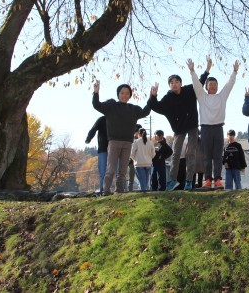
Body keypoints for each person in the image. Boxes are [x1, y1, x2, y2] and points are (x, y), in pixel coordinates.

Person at [149, 60, 210, 191]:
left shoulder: (189, 90)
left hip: (192, 126)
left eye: (176, 82)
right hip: (179, 128)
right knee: (176, 154)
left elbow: (199, 83)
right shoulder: (168, 98)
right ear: (169, 85)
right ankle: (172, 180)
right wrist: (153, 96)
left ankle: (189, 181)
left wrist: (206, 70)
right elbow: (157, 107)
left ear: (181, 83)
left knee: (191, 154)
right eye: (171, 83)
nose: (174, 84)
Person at [188, 57, 239, 189]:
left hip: (218, 128)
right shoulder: (202, 96)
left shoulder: (222, 96)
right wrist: (192, 71)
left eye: (215, 84)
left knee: (217, 156)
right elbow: (196, 84)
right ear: (206, 87)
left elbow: (229, 85)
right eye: (210, 84)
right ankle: (207, 180)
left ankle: (217, 180)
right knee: (206, 157)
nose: (213, 86)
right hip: (205, 129)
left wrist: (234, 72)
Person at [92, 81, 151, 195]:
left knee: (123, 170)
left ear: (130, 95)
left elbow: (145, 112)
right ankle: (106, 190)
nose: (124, 95)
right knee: (110, 169)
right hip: (114, 142)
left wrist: (152, 97)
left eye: (127, 93)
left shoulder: (133, 109)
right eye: (122, 93)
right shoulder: (111, 106)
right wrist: (96, 92)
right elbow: (97, 105)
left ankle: (119, 190)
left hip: (127, 143)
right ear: (118, 94)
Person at [85, 115, 108, 193]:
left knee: (104, 171)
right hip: (106, 148)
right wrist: (88, 138)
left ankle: (104, 189)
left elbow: (93, 129)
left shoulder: (112, 118)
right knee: (105, 171)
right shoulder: (102, 119)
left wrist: (88, 139)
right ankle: (103, 189)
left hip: (110, 148)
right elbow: (94, 129)